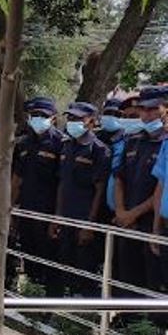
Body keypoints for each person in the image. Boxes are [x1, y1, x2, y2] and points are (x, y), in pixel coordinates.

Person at [50, 102, 109, 297]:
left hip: (84, 219)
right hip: (66, 217)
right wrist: (57, 216)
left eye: (78, 119)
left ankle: (83, 318)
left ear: (91, 121)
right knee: (64, 265)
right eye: (71, 118)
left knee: (84, 271)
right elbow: (61, 183)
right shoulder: (67, 146)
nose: (72, 122)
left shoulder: (99, 150)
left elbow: (99, 190)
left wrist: (89, 225)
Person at [114, 86, 168, 297]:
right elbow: (119, 178)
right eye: (143, 110)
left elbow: (159, 188)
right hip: (127, 222)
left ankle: (150, 328)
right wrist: (121, 211)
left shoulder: (164, 142)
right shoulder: (132, 140)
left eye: (153, 109)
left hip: (148, 222)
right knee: (127, 281)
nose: (146, 114)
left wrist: (133, 214)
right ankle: (126, 325)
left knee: (153, 285)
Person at [12, 97, 65, 290]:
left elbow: (62, 183)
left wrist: (57, 217)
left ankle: (48, 305)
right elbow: (17, 179)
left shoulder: (59, 143)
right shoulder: (24, 143)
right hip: (26, 209)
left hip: (47, 212)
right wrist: (10, 209)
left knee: (49, 259)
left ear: (52, 118)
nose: (38, 118)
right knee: (29, 254)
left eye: (43, 115)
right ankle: (31, 297)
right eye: (35, 115)